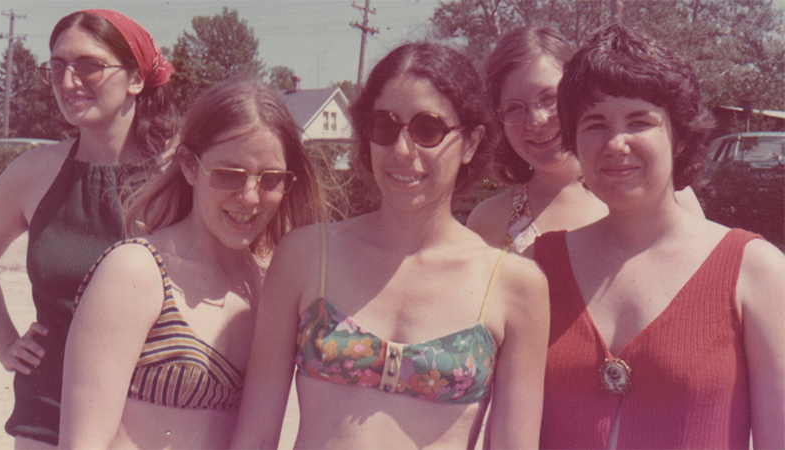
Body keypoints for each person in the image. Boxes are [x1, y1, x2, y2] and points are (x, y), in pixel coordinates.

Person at [230, 43, 549, 449]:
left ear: (470, 142)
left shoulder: (514, 285)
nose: (402, 150)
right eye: (385, 126)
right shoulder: (306, 255)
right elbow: (255, 436)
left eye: (428, 130)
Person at [534, 24, 784, 449]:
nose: (616, 142)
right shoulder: (537, 267)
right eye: (595, 123)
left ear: (680, 136)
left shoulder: (756, 270)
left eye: (639, 120)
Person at [57, 76, 326, 449]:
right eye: (228, 175)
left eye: (270, 180)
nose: (249, 197)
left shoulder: (271, 287)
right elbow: (83, 442)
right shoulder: (135, 271)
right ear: (189, 166)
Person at [0, 9, 175, 448]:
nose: (68, 82)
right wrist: (6, 343)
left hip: (153, 422)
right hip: (47, 417)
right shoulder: (31, 173)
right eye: (57, 67)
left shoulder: (180, 174)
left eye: (89, 65)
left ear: (135, 78)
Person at [467, 26, 702, 253]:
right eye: (515, 109)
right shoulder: (488, 219)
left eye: (549, 98)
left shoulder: (666, 196)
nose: (536, 121)